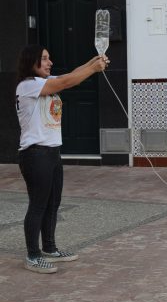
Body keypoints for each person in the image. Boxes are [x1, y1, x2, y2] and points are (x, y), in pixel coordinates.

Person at [15, 44, 109, 273]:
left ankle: (49, 248)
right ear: (31, 62)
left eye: (49, 58)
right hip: (36, 154)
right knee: (38, 205)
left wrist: (92, 61)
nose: (50, 62)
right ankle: (33, 256)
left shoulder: (43, 82)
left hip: (52, 152)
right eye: (44, 59)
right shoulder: (28, 85)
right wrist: (94, 69)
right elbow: (67, 82)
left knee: (53, 203)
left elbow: (69, 75)